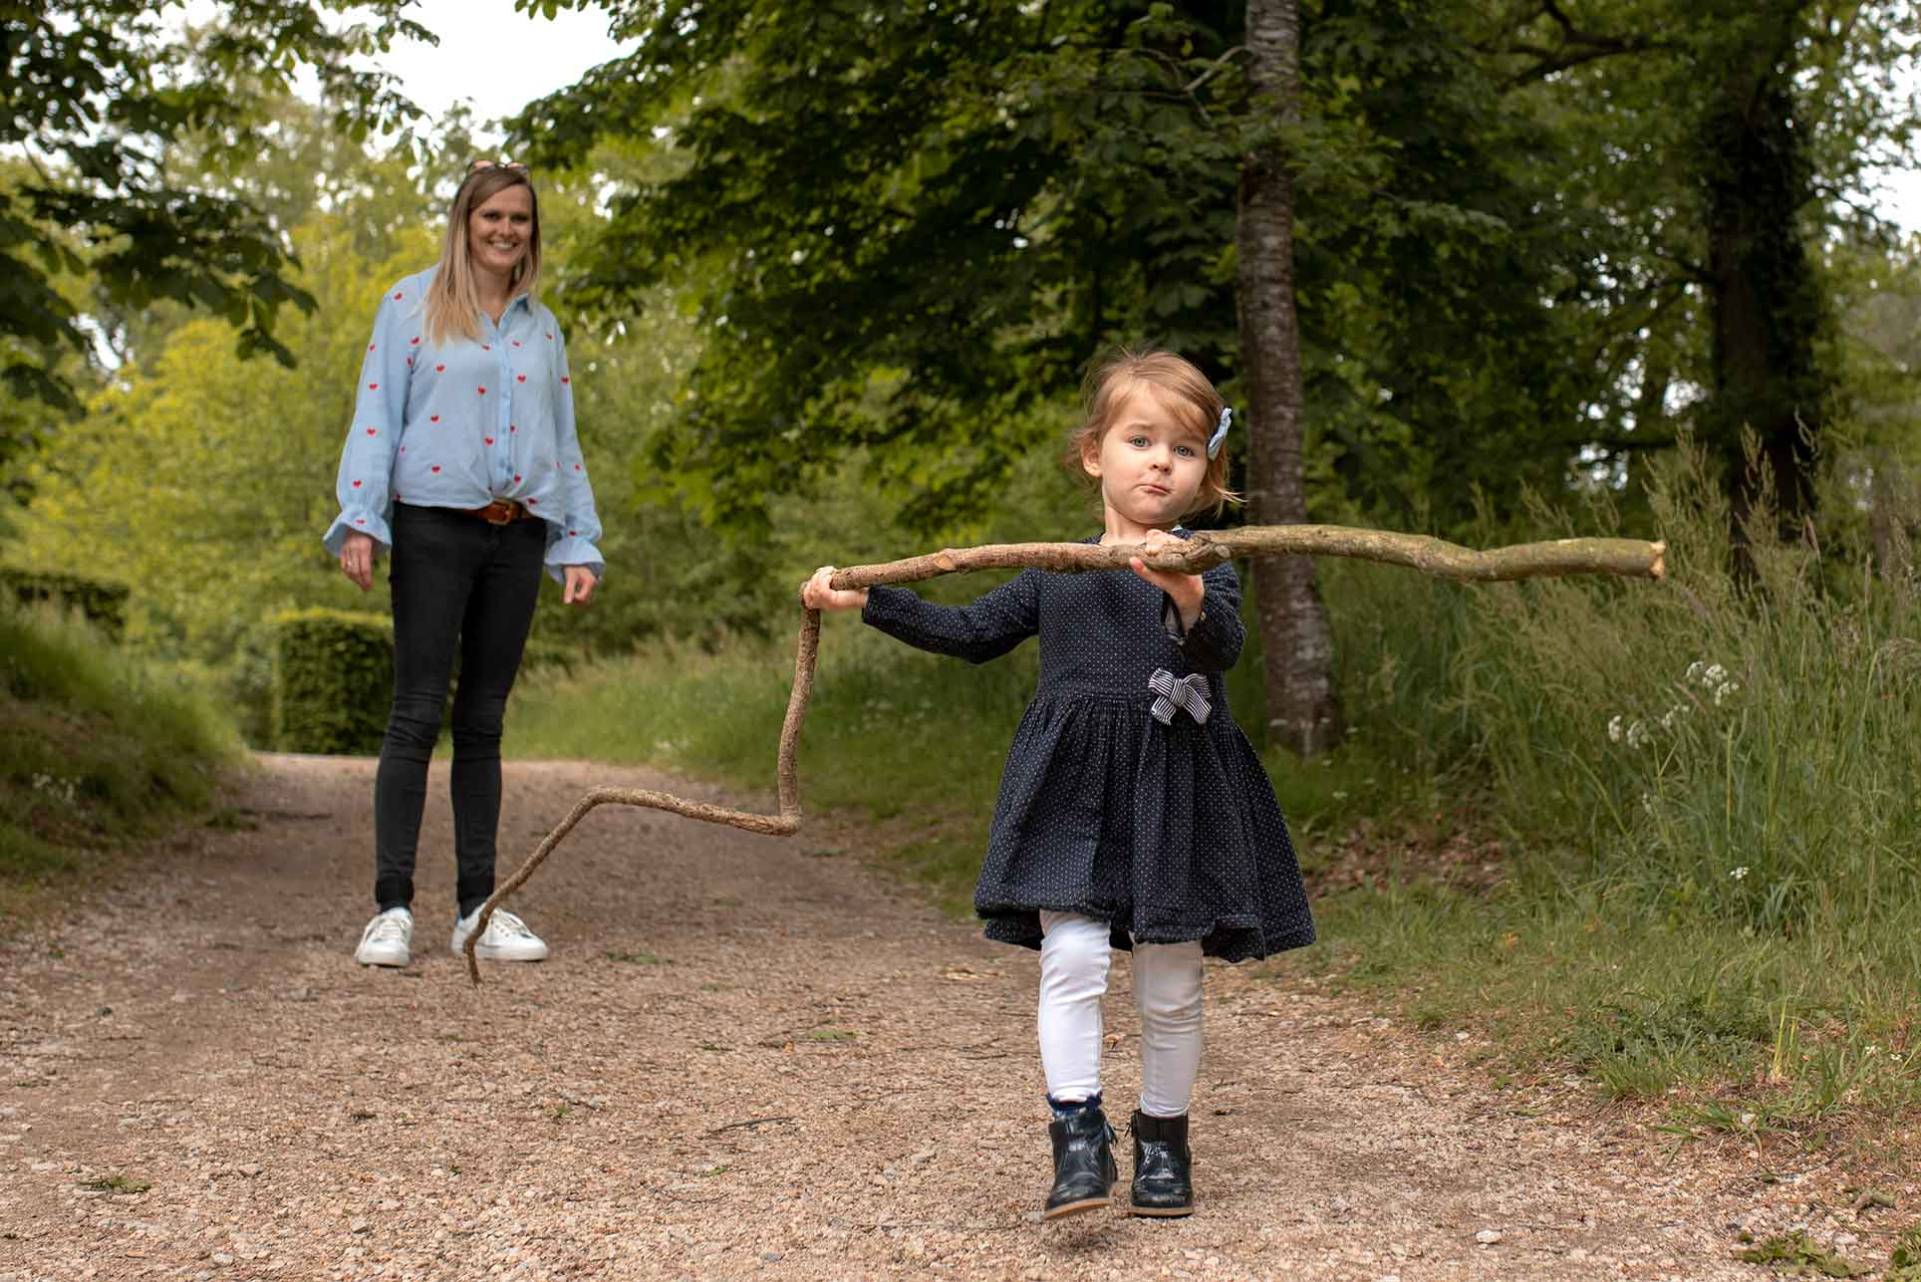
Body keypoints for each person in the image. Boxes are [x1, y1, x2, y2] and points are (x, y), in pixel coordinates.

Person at [803, 349, 1315, 1220]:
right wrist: (871, 601)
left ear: (1206, 474)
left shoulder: (1211, 564)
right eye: (1141, 439)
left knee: (1170, 976)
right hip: (1073, 789)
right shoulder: (1054, 570)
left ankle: (1163, 1141)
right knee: (1071, 957)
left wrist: (1187, 594)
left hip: (1176, 787)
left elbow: (1220, 648)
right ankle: (1076, 1135)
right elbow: (971, 633)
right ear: (1094, 455)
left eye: (1184, 450)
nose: (1161, 461)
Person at [323, 159, 604, 970]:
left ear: (531, 232)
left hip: (516, 535)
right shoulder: (409, 306)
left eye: (519, 219)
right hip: (431, 529)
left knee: (483, 722)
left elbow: (562, 440)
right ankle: (391, 909)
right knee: (415, 714)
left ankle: (478, 909)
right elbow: (375, 414)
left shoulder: (541, 328)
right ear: (465, 222)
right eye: (492, 218)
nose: (505, 231)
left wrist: (574, 540)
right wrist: (360, 521)